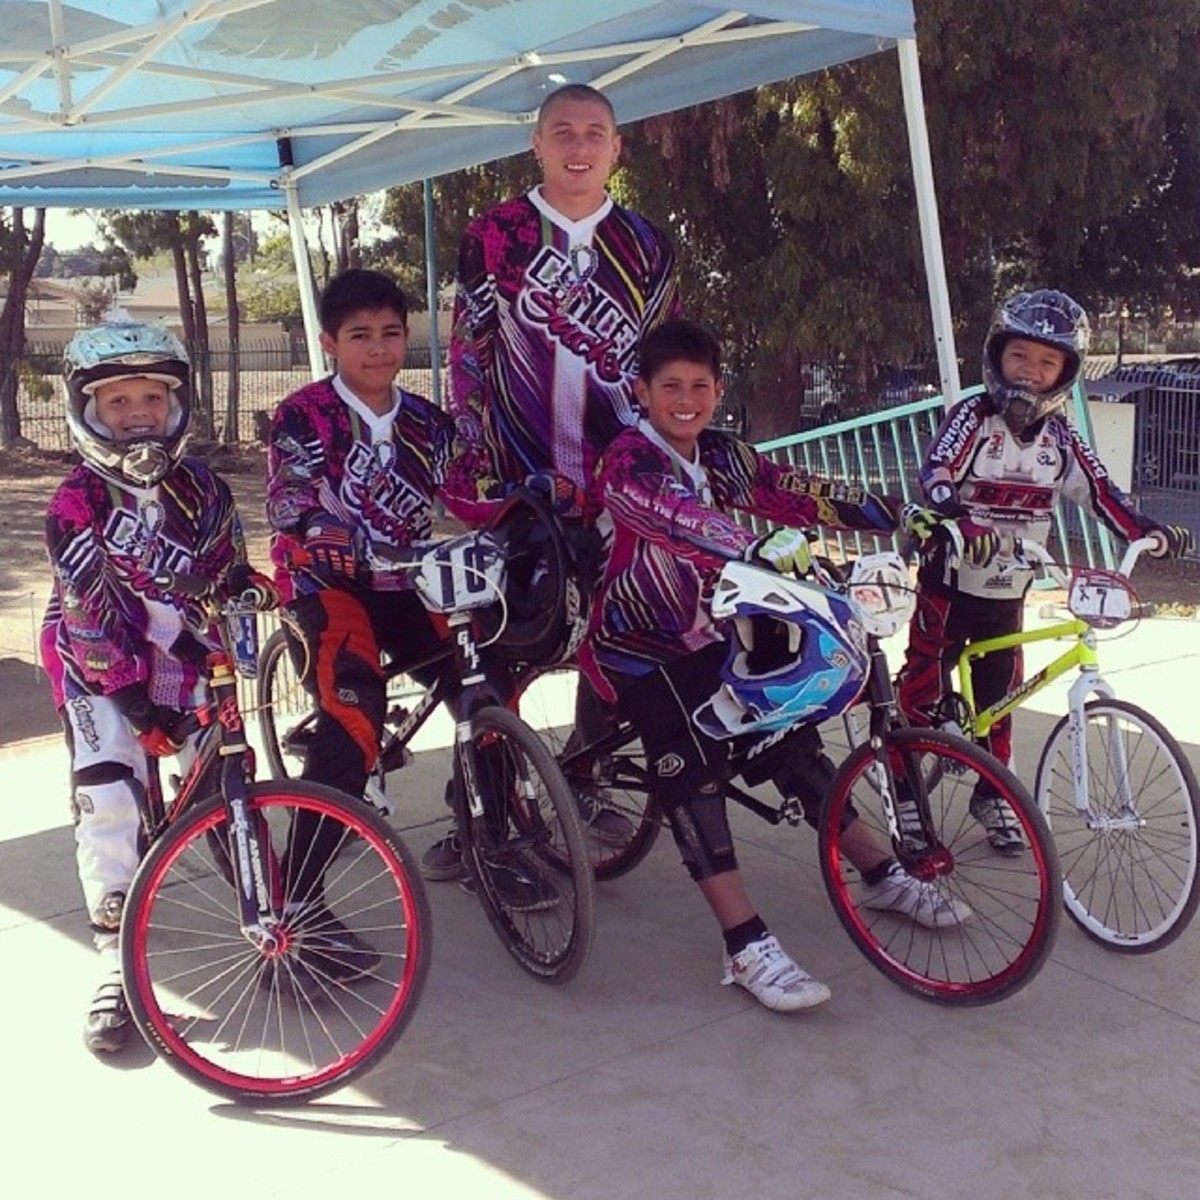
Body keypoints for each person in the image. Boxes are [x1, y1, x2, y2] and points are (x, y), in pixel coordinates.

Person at [580, 318, 967, 1013]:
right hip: (636, 643)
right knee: (692, 765)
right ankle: (745, 943)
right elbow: (665, 515)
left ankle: (880, 872)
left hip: (720, 629)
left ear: (719, 389)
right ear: (641, 392)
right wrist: (748, 545)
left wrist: (899, 514)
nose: (687, 398)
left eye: (701, 385)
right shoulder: (626, 461)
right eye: (671, 386)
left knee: (791, 735)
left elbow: (796, 489)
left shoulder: (721, 454)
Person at [423, 80, 683, 879]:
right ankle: (487, 818)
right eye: (562, 131)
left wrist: (666, 458)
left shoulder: (647, 244)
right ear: (536, 144)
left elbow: (662, 364)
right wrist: (480, 459)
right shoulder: (494, 233)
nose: (578, 145)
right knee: (503, 649)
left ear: (617, 148)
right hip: (516, 484)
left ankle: (586, 776)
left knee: (616, 634)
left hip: (615, 484)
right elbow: (469, 351)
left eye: (595, 132)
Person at [266, 268, 559, 913]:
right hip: (326, 580)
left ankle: (484, 838)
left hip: (409, 577)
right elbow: (287, 492)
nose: (378, 349)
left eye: (391, 333)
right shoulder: (303, 414)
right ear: (330, 342)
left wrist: (524, 502)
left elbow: (465, 491)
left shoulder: (430, 421)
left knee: (487, 689)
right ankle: (295, 901)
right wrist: (317, 525)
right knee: (353, 716)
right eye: (360, 335)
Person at [896, 288, 1195, 854]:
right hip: (949, 580)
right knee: (921, 685)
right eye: (1019, 358)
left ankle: (993, 796)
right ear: (996, 357)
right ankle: (906, 791)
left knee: (1002, 696)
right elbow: (936, 470)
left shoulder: (1061, 438)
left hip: (1011, 589)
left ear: (1066, 372)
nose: (1030, 373)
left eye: (1047, 362)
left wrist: (1145, 530)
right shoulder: (973, 418)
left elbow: (1101, 492)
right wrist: (959, 517)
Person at [42, 321, 257, 1054]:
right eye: (119, 399)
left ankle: (274, 911)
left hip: (192, 656)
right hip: (100, 665)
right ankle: (114, 966)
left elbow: (232, 565)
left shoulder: (204, 487)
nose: (138, 414)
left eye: (153, 398)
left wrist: (246, 588)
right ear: (88, 410)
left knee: (231, 781)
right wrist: (132, 702)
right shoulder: (76, 501)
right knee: (108, 797)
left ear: (177, 404)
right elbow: (88, 610)